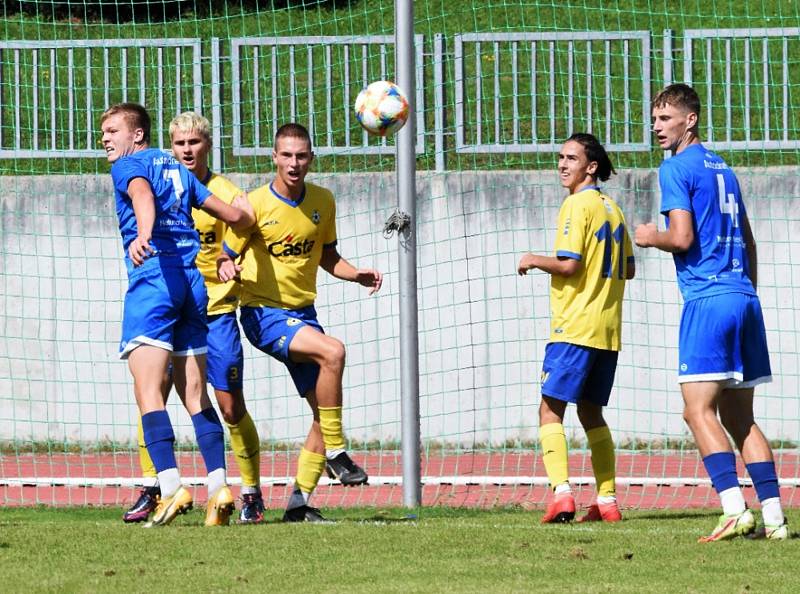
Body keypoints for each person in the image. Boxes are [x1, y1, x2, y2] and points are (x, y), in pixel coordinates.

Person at [634, 84, 787, 541]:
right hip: (744, 299)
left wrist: (648, 236)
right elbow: (750, 239)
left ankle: (733, 507)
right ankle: (777, 519)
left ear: (690, 120)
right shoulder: (724, 167)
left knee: (696, 411)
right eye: (655, 118)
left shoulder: (676, 168)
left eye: (665, 118)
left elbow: (680, 237)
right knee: (742, 418)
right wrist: (746, 294)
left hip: (708, 300)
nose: (656, 127)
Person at [100, 103, 255, 527]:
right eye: (104, 132)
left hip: (155, 280)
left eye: (112, 130)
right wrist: (243, 218)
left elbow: (141, 195)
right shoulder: (180, 171)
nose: (105, 138)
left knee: (149, 391)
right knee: (195, 395)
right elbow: (234, 215)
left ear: (137, 135)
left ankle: (169, 488)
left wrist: (145, 234)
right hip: (193, 284)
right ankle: (219, 485)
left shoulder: (129, 166)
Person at [217, 123, 381, 522]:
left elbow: (327, 256)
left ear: (311, 159)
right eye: (286, 155)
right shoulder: (253, 204)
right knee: (334, 351)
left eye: (301, 155)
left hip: (303, 314)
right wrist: (227, 264)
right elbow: (226, 252)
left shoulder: (323, 200)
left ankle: (298, 504)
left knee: (321, 410)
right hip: (263, 313)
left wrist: (355, 273)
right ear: (274, 157)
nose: (294, 163)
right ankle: (339, 452)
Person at [518, 132, 635, 524]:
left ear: (592, 166)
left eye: (571, 158)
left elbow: (570, 265)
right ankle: (607, 501)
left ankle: (561, 494)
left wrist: (534, 259)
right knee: (592, 413)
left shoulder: (576, 206)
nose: (563, 165)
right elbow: (630, 268)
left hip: (574, 328)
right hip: (607, 329)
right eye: (560, 157)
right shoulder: (612, 208)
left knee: (549, 410)